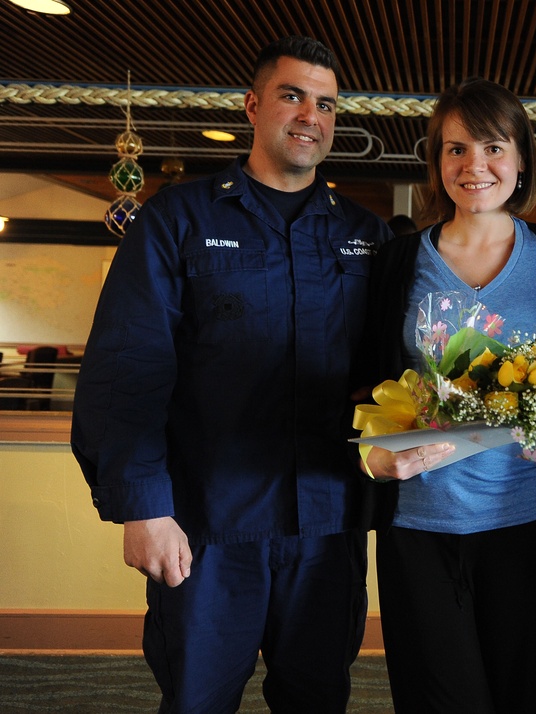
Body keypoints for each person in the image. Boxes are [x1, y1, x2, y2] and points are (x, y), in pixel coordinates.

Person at [71, 36, 394, 713]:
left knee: (318, 699)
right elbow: (129, 366)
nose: (311, 114)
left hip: (326, 526)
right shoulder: (177, 219)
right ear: (252, 106)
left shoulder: (364, 234)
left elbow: (393, 372)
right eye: (292, 95)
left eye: (326, 103)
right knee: (196, 699)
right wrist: (143, 507)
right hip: (206, 525)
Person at [358, 77, 536, 713]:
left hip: (521, 524)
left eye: (492, 147)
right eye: (454, 149)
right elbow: (365, 384)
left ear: (521, 160)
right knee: (438, 699)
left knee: (520, 695)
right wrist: (372, 454)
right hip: (418, 525)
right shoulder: (400, 262)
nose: (473, 166)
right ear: (435, 162)